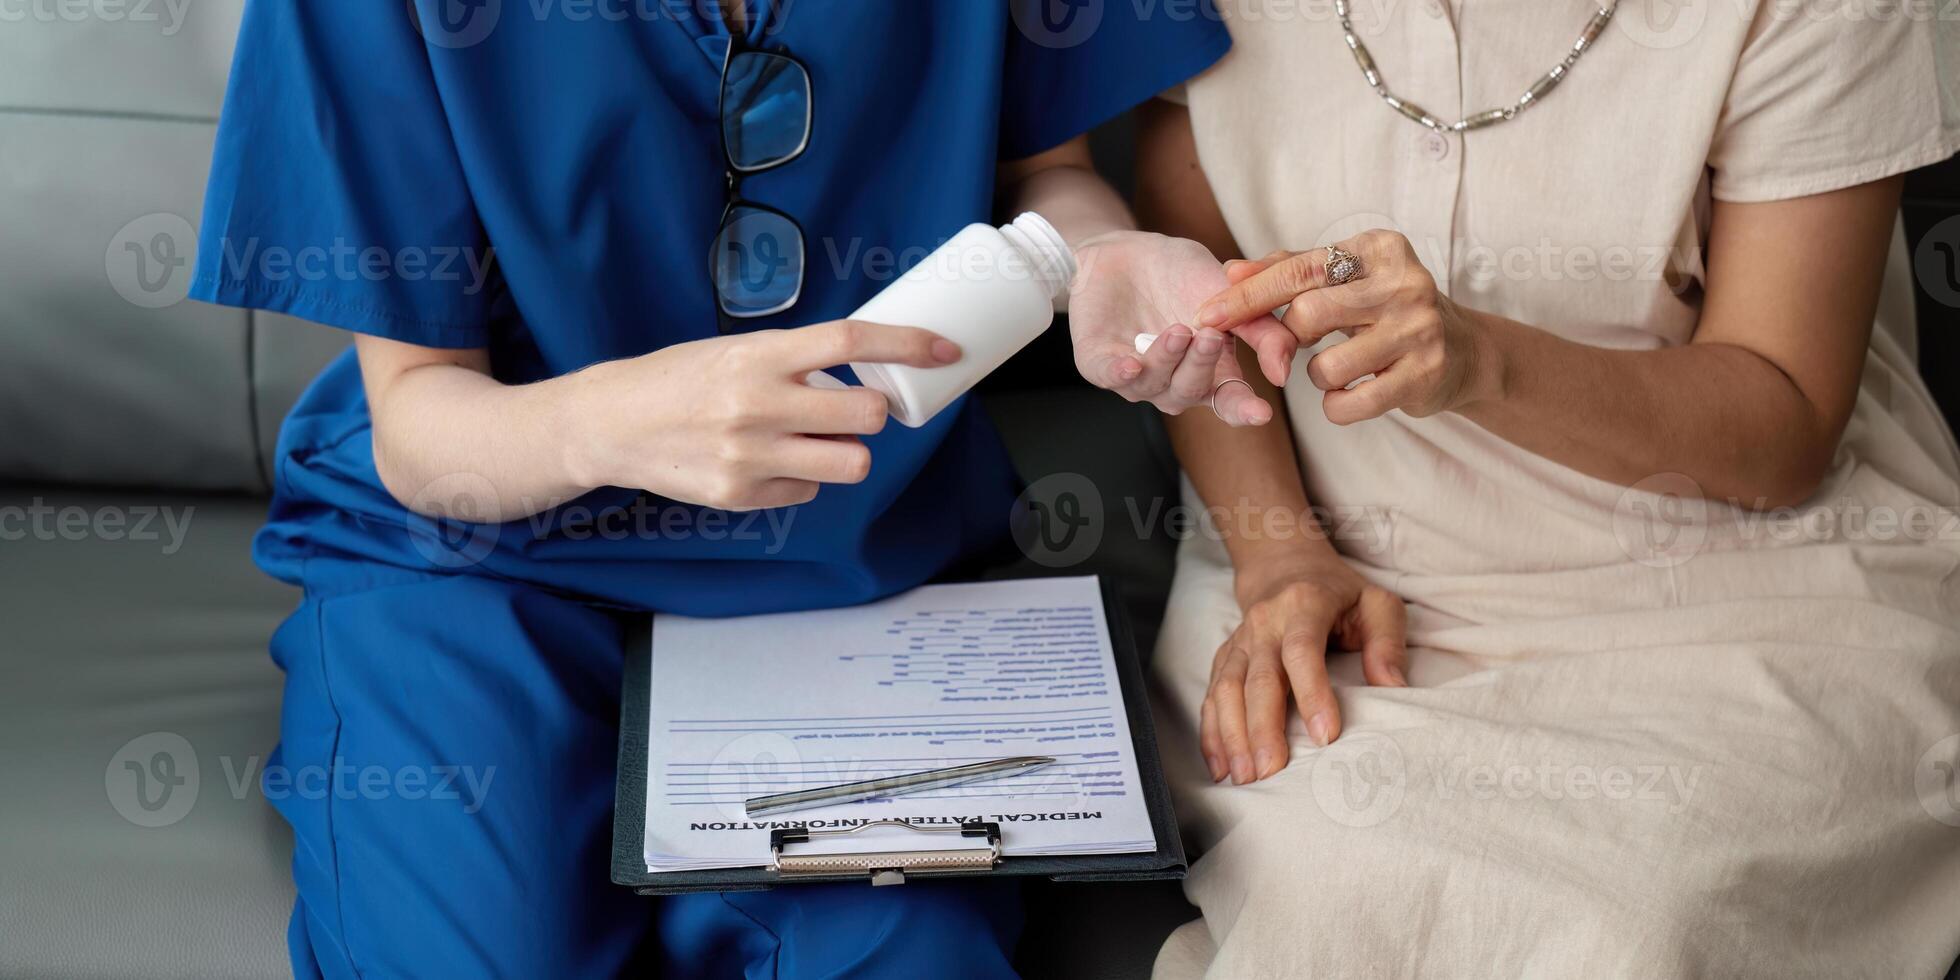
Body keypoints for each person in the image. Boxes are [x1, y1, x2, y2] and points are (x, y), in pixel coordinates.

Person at [188, 1, 1270, 976]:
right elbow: (421, 424)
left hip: (849, 568)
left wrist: (1096, 253)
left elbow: (1050, 173)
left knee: (910, 956)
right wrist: (616, 419)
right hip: (473, 565)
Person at [1135, 3, 1960, 976]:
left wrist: (1484, 358)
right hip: (1344, 578)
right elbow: (1195, 308)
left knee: (1630, 920)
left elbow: (1780, 430)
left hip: (1737, 590)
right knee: (1342, 896)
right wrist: (1277, 556)